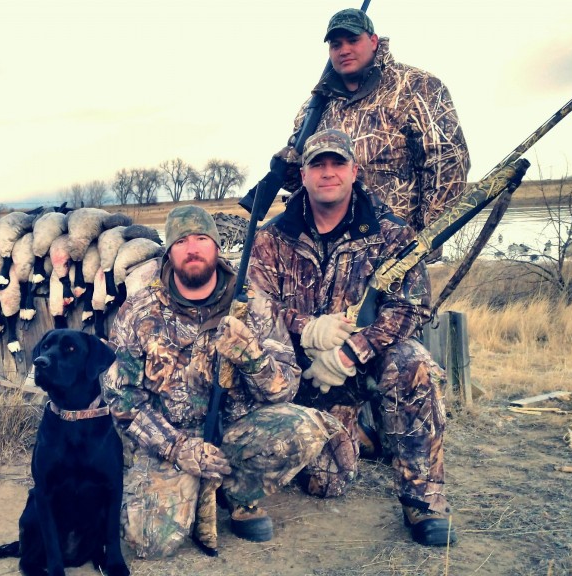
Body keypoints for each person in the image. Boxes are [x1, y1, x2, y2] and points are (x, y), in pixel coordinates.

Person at [250, 129, 457, 547]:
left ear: (354, 171)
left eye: (337, 163)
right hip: (303, 374)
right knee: (326, 483)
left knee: (412, 363)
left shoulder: (391, 233)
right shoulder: (272, 237)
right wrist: (305, 327)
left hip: (361, 364)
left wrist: (351, 352)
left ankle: (424, 500)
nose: (328, 172)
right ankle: (363, 433)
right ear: (303, 176)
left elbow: (412, 305)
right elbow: (253, 303)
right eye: (317, 165)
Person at [102, 205, 341, 558]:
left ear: (216, 246)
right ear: (169, 252)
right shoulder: (140, 310)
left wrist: (252, 358)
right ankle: (195, 488)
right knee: (149, 543)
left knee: (303, 428)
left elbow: (287, 387)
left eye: (202, 238)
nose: (193, 248)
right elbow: (120, 396)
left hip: (236, 434)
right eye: (182, 241)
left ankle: (241, 494)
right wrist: (177, 447)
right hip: (174, 443)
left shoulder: (253, 304)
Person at [277, 8, 470, 239]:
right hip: (330, 254)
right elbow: (307, 182)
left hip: (394, 248)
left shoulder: (418, 87)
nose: (344, 50)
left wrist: (424, 242)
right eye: (336, 44)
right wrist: (285, 170)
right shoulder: (313, 110)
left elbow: (448, 168)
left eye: (353, 40)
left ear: (374, 41)